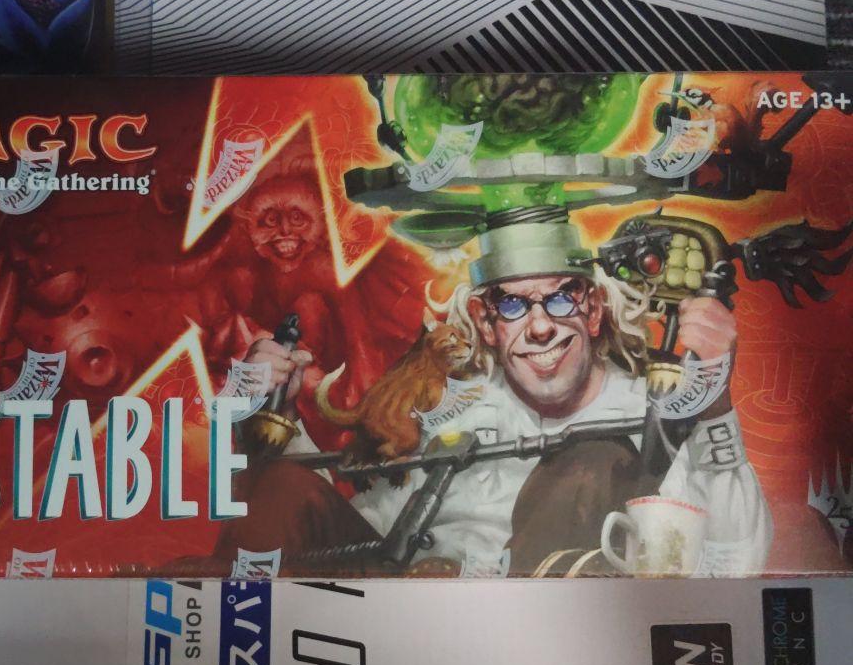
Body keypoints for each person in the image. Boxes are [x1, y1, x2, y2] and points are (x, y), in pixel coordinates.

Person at [215, 213, 773, 577]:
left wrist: (713, 407)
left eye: (561, 299)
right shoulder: (445, 407)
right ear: (486, 323)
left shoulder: (651, 415)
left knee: (590, 461)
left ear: (594, 309)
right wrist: (269, 411)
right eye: (513, 305)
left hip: (547, 647)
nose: (540, 327)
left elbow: (736, 565)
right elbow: (352, 535)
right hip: (408, 634)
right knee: (282, 488)